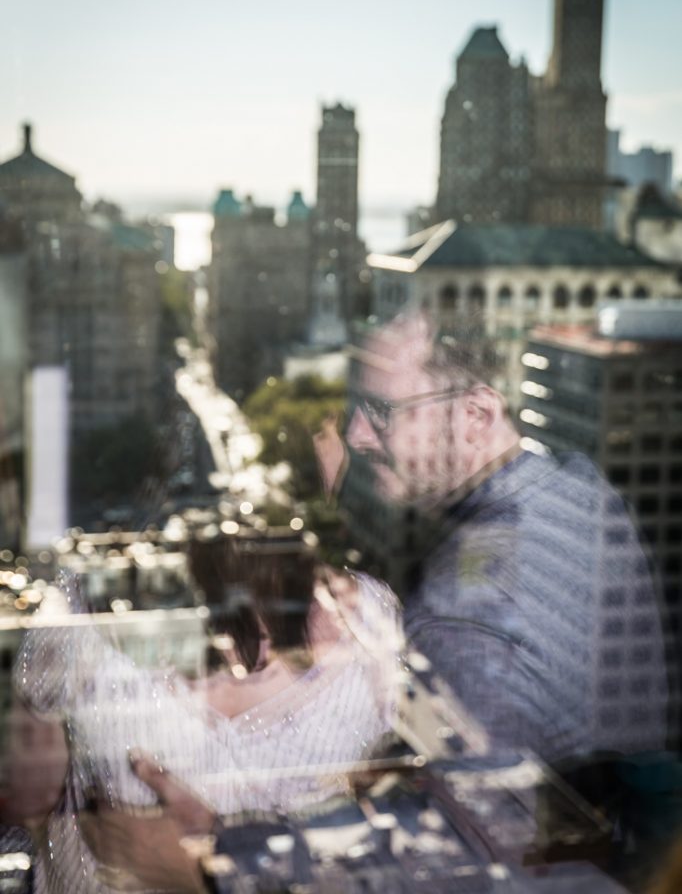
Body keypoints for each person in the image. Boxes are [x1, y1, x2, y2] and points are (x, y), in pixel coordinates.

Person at [341, 312, 668, 765]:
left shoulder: (458, 612)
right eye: (356, 409)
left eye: (382, 411)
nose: (357, 435)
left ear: (476, 415)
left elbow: (490, 808)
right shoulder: (580, 485)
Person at [5, 536, 401, 894]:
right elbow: (405, 807)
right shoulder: (367, 616)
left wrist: (197, 866)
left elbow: (26, 797)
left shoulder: (83, 601)